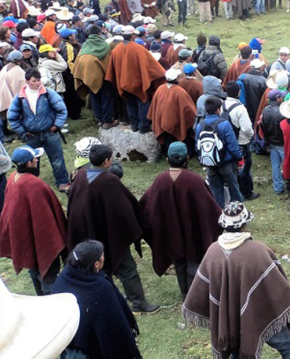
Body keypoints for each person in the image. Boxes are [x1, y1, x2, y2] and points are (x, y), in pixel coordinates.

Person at [184, 201, 290, 359]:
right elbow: (277, 284)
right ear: (245, 224)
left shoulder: (212, 251)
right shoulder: (258, 250)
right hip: (261, 313)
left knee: (236, 347)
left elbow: (201, 290)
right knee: (288, 345)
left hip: (228, 316)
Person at [67, 144, 160, 313]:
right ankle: (139, 303)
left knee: (99, 269)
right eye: (111, 158)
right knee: (127, 268)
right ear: (106, 162)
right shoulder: (108, 181)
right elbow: (124, 210)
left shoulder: (80, 175)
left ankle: (109, 299)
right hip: (110, 234)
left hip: (89, 233)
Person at [140, 142, 222, 299]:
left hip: (171, 232)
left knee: (179, 261)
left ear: (167, 160)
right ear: (187, 159)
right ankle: (195, 296)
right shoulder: (195, 180)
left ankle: (186, 294)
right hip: (194, 231)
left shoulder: (160, 181)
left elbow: (146, 205)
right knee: (194, 261)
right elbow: (211, 208)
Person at [51, 240, 142, 359]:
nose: (104, 256)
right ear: (96, 264)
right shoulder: (100, 289)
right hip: (91, 352)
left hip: (69, 346)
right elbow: (114, 329)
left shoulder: (63, 277)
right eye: (102, 255)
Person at [0, 145, 67, 295]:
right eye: (35, 158)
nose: (37, 160)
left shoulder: (13, 178)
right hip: (41, 238)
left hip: (27, 237)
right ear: (29, 163)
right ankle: (50, 302)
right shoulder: (34, 184)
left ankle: (40, 297)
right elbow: (45, 218)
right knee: (48, 276)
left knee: (34, 268)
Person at [7, 68, 70, 192]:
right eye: (34, 81)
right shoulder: (20, 97)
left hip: (49, 133)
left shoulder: (48, 92)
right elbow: (12, 117)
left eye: (39, 80)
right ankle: (32, 184)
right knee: (31, 162)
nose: (38, 83)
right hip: (32, 136)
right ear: (27, 81)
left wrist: (56, 125)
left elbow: (62, 110)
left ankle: (62, 181)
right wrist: (23, 132)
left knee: (57, 159)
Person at [104, 26, 166, 134]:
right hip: (138, 83)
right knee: (142, 102)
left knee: (130, 103)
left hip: (123, 83)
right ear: (133, 35)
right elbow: (152, 65)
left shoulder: (116, 50)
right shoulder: (138, 49)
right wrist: (163, 74)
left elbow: (112, 70)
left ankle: (134, 126)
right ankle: (144, 126)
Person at [195, 97, 244, 208]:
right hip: (226, 162)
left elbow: (197, 146)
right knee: (234, 189)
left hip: (210, 163)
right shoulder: (224, 124)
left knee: (216, 190)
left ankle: (219, 215)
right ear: (218, 109)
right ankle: (238, 215)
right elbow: (233, 145)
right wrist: (239, 158)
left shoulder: (200, 125)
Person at [73, 26, 118, 129]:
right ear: (99, 34)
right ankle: (107, 121)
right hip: (101, 75)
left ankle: (99, 119)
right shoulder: (104, 45)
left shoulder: (84, 46)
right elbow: (109, 62)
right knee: (106, 97)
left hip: (86, 76)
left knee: (94, 97)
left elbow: (78, 60)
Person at [224, 82, 259, 201]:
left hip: (229, 141)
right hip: (242, 142)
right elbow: (247, 128)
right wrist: (251, 136)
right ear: (238, 92)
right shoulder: (240, 108)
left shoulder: (223, 104)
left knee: (234, 166)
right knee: (244, 167)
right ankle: (246, 192)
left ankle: (236, 189)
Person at [147, 69, 197, 152]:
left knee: (168, 139)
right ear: (177, 78)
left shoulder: (160, 89)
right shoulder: (180, 91)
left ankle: (168, 152)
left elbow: (154, 106)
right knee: (183, 134)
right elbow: (190, 110)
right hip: (176, 122)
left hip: (163, 122)